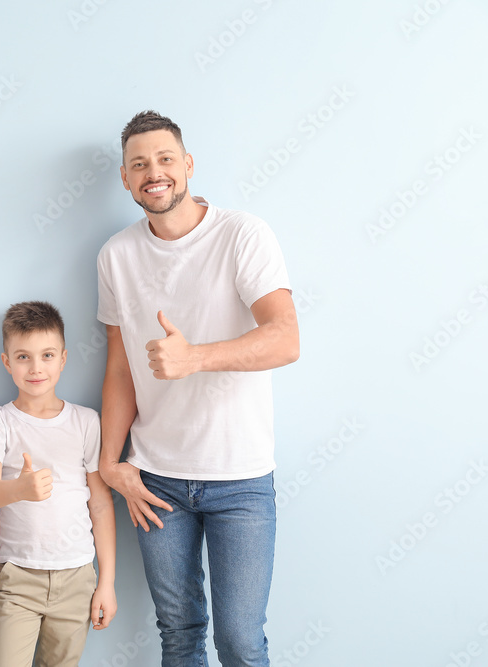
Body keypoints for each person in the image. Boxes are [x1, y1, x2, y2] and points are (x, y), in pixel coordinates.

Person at [96, 111, 299, 666]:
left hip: (240, 479)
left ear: (187, 165)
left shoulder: (242, 234)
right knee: (179, 634)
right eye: (139, 164)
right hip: (157, 478)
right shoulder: (116, 255)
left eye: (164, 159)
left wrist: (196, 359)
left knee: (239, 641)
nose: (153, 172)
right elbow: (119, 368)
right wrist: (111, 462)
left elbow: (285, 339)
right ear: (125, 178)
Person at [0, 301, 117, 667]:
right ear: (7, 362)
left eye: (47, 355)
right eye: (23, 357)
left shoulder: (86, 422)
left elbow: (100, 503)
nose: (36, 368)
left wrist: (106, 583)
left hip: (78, 577)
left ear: (63, 359)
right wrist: (19, 489)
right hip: (18, 577)